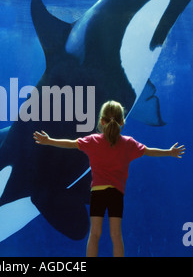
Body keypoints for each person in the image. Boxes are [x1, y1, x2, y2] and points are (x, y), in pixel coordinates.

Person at [33, 100, 185, 257]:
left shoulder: (93, 141)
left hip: (97, 193)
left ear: (101, 121)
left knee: (94, 234)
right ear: (122, 121)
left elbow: (71, 144)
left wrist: (49, 141)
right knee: (116, 235)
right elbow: (149, 151)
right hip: (116, 194)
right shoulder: (128, 144)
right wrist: (169, 152)